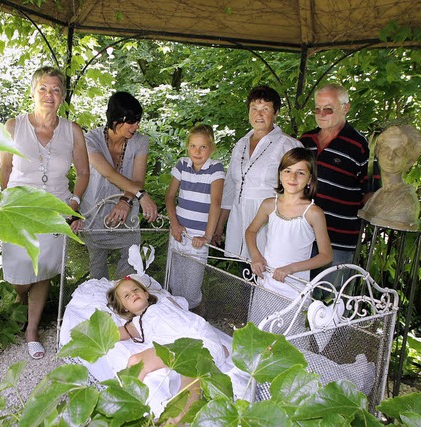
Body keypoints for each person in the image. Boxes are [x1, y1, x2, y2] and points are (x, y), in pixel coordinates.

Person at [0, 66, 90, 360]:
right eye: (43, 88)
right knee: (20, 275)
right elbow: (5, 169)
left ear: (62, 97)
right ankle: (18, 294)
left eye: (55, 90)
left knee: (43, 272)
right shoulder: (14, 126)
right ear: (32, 92)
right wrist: (6, 204)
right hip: (20, 210)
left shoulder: (72, 130)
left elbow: (84, 172)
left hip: (56, 211)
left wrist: (74, 205)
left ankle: (32, 331)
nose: (48, 95)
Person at [106, 276, 229, 422]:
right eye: (127, 295)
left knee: (190, 373)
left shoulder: (166, 301)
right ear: (124, 307)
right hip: (177, 347)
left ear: (146, 293)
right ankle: (129, 411)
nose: (133, 294)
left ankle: (177, 420)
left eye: (136, 289)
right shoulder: (135, 324)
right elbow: (112, 335)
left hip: (199, 335)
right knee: (135, 361)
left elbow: (185, 312)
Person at [245, 148, 332, 331]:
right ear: (280, 175)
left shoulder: (313, 213)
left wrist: (291, 268)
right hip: (266, 283)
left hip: (294, 289)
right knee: (259, 333)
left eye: (300, 173)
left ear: (309, 179)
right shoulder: (269, 205)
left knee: (286, 340)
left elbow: (325, 255)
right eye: (288, 171)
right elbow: (251, 231)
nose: (293, 177)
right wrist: (256, 256)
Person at [299, 83, 380, 280]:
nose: (321, 114)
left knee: (331, 303)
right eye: (317, 109)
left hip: (338, 242)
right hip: (301, 237)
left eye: (328, 108)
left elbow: (372, 193)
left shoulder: (361, 146)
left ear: (345, 108)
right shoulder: (305, 140)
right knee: (296, 298)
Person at [215, 85, 302, 260]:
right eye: (254, 109)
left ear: (276, 113)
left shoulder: (288, 146)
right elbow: (231, 188)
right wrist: (219, 227)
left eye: (265, 109)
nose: (259, 114)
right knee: (243, 276)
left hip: (268, 224)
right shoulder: (240, 145)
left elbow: (299, 193)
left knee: (264, 276)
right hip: (238, 222)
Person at [79, 92, 158, 279]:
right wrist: (142, 195)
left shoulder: (141, 142)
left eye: (138, 121)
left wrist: (126, 200)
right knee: (97, 272)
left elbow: (138, 180)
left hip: (127, 218)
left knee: (130, 271)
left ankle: (125, 306)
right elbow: (109, 173)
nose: (136, 126)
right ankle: (99, 307)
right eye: (131, 121)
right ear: (116, 120)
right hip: (94, 216)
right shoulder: (90, 140)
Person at [165, 124, 224, 313]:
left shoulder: (215, 169)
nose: (197, 151)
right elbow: (169, 196)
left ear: (211, 147)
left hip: (198, 237)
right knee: (175, 283)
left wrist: (207, 237)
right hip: (179, 233)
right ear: (187, 146)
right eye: (193, 146)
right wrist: (174, 225)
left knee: (191, 288)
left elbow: (215, 204)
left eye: (203, 147)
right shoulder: (182, 164)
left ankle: (196, 322)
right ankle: (175, 325)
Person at [358, 125, 421, 231]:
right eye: (385, 149)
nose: (390, 157)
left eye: (398, 152)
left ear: (409, 160)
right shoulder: (376, 195)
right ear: (378, 152)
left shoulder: (406, 202)